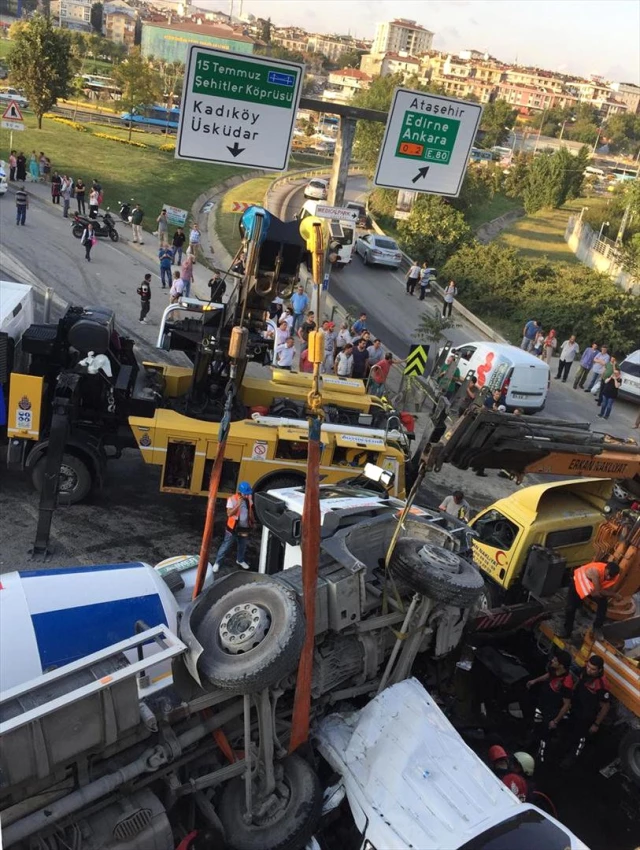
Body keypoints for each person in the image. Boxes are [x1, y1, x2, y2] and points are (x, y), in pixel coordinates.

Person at [525, 649, 574, 763]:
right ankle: (530, 745)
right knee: (536, 726)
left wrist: (555, 721)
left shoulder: (566, 682)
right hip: (542, 705)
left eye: (555, 660)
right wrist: (534, 681)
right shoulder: (554, 669)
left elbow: (566, 705)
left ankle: (540, 758)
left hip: (551, 712)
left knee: (545, 735)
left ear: (561, 665)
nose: (552, 660)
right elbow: (548, 675)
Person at [563, 655, 611, 763]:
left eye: (593, 669)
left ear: (600, 670)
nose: (589, 670)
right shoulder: (584, 671)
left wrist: (596, 724)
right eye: (588, 666)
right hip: (575, 708)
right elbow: (578, 684)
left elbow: (606, 706)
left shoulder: (602, 685)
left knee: (580, 738)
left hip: (587, 716)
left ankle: (572, 758)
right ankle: (564, 748)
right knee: (569, 730)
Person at [561, 560, 621, 638]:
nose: (609, 577)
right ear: (605, 569)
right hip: (578, 584)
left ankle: (597, 627)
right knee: (570, 608)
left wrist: (608, 594)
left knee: (603, 604)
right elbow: (598, 591)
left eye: (611, 576)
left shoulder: (615, 577)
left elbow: (602, 590)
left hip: (591, 587)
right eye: (608, 574)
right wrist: (615, 595)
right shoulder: (595, 571)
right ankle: (567, 631)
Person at [212, 481, 254, 572]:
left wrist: (252, 521)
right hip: (232, 529)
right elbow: (229, 513)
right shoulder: (232, 499)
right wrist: (239, 504)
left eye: (248, 494)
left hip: (244, 528)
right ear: (240, 492)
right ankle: (217, 562)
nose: (247, 496)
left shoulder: (249, 499)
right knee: (226, 546)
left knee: (242, 545)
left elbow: (250, 511)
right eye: (245, 494)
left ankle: (240, 560)